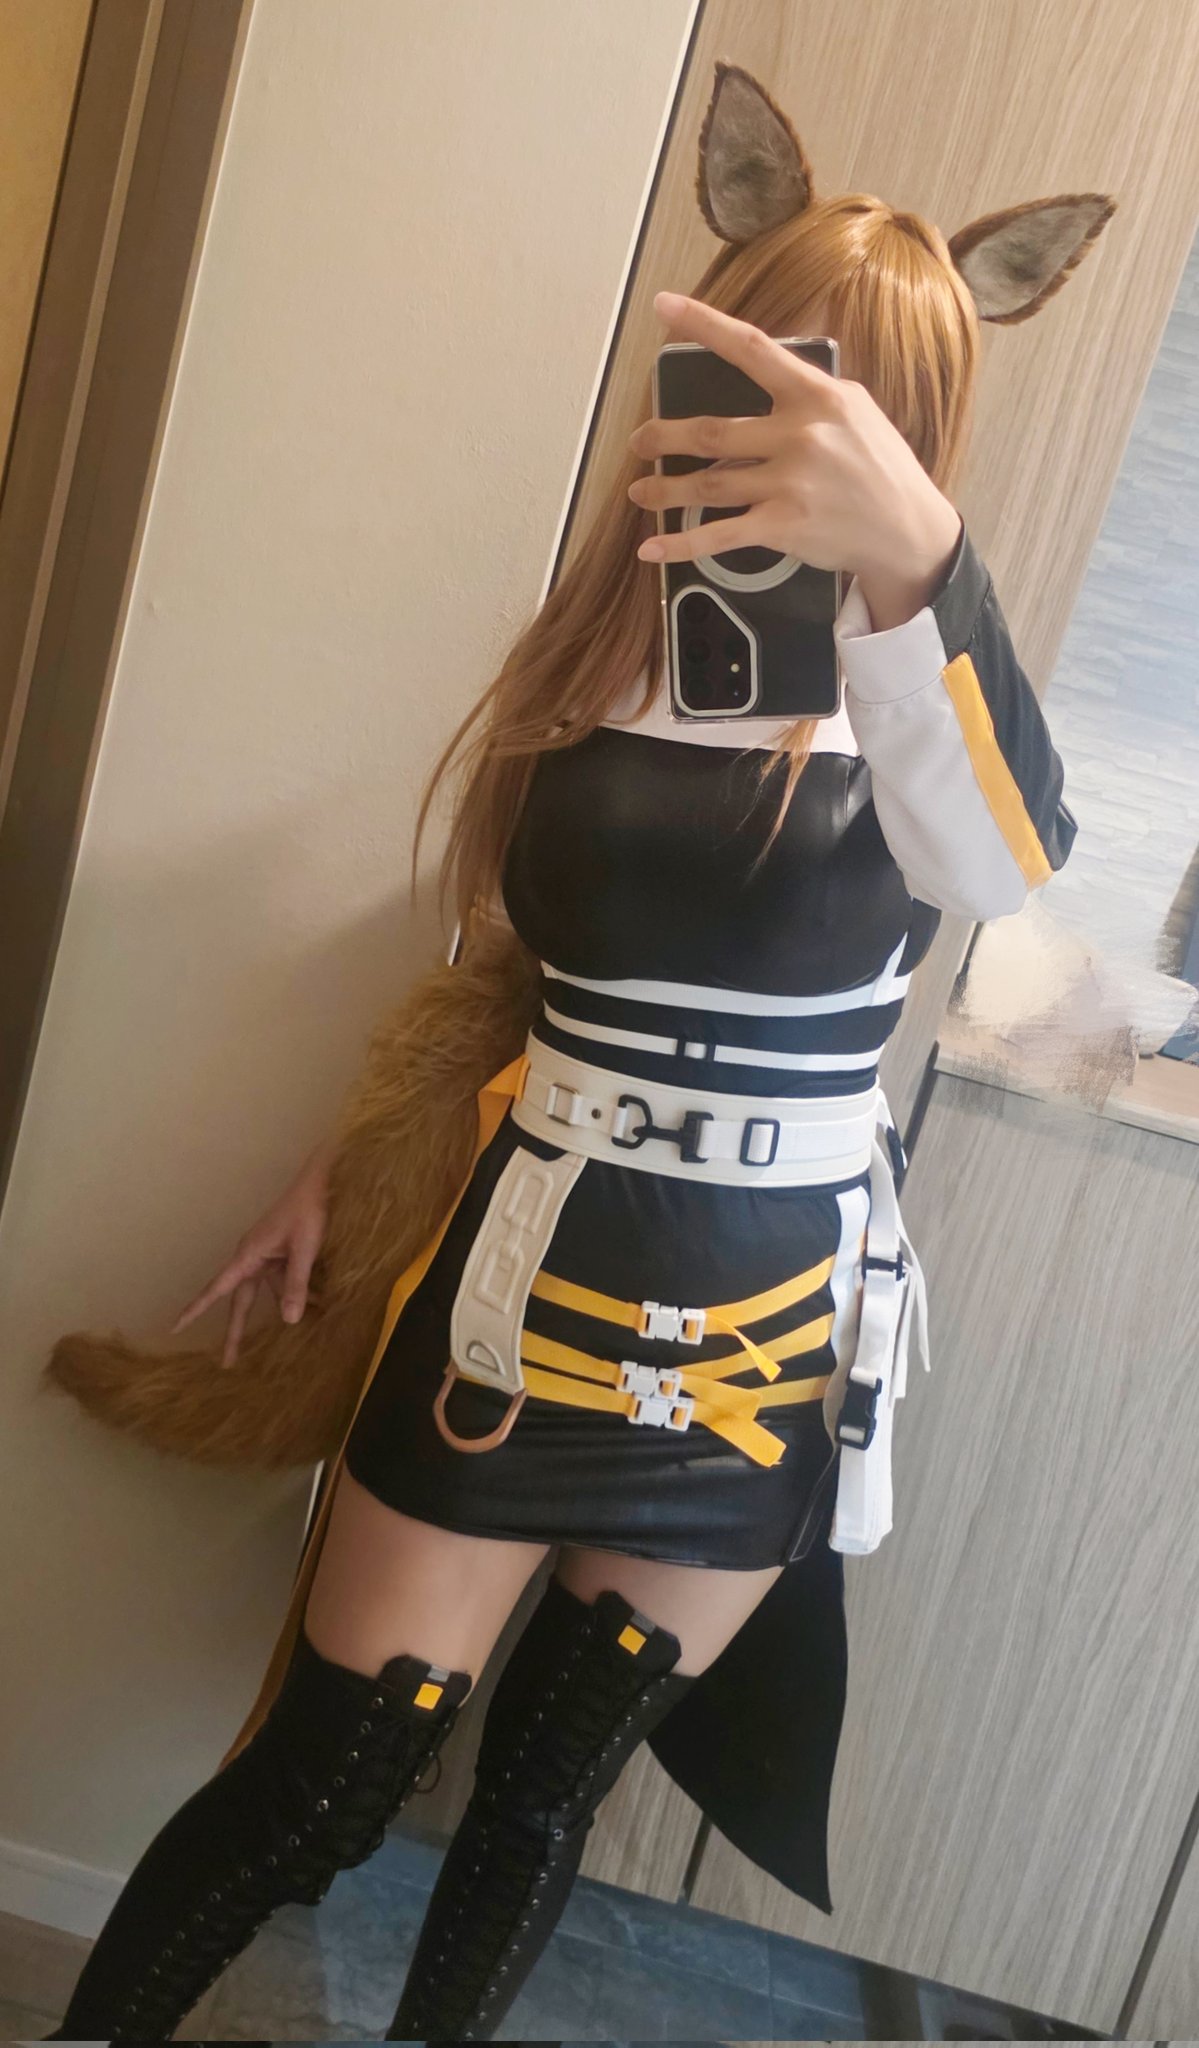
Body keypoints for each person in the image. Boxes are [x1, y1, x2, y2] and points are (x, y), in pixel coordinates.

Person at [46, 58, 1112, 2048]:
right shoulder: (605, 643)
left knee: (541, 1799)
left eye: (871, 406)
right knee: (322, 1787)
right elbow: (514, 975)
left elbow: (1006, 862)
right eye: (783, 375)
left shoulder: (922, 694)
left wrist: (916, 563)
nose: (815, 429)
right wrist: (348, 1169)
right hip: (524, 1283)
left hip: (767, 1332)